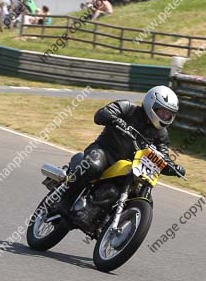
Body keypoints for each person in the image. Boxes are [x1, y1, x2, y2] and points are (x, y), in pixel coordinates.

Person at [55, 86, 185, 217]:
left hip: (129, 166)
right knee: (93, 166)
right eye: (162, 112)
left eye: (168, 114)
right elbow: (101, 114)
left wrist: (173, 168)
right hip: (105, 151)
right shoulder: (127, 108)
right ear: (151, 103)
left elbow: (162, 156)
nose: (165, 116)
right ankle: (65, 199)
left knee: (144, 197)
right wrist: (115, 119)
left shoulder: (161, 134)